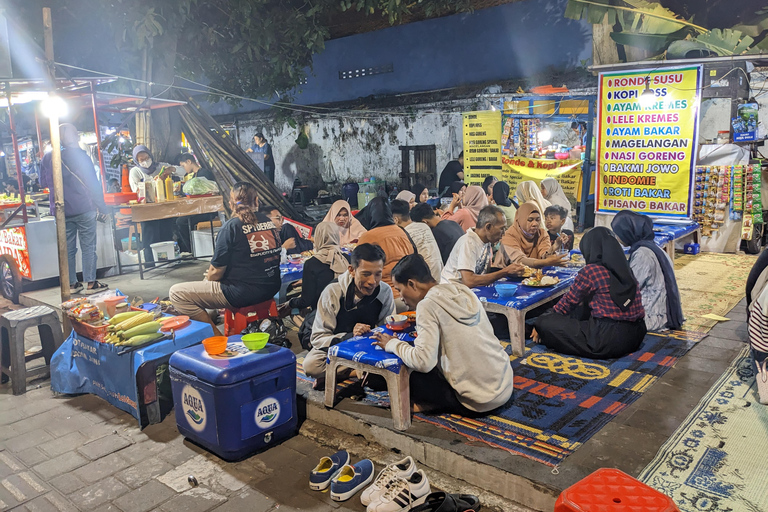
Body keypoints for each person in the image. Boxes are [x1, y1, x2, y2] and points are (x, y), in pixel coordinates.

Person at [371, 254, 514, 414]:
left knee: (406, 369)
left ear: (411, 284)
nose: (401, 297)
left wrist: (393, 344)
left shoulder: (427, 305)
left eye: (399, 290)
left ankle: (433, 404)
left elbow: (423, 362)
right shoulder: (463, 291)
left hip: (477, 401)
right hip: (504, 385)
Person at [169, 182, 282, 335]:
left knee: (177, 293)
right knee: (205, 286)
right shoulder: (269, 223)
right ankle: (213, 316)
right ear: (256, 201)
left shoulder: (231, 227)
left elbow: (215, 273)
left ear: (230, 204)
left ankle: (218, 338)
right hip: (271, 287)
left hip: (241, 293)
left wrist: (209, 278)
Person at [533, 227, 646, 359]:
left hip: (606, 340)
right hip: (636, 335)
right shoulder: (625, 268)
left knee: (545, 323)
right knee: (581, 308)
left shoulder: (592, 270)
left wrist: (542, 324)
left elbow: (566, 305)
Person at [302, 243, 396, 382]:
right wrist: (350, 336)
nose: (373, 282)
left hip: (368, 345)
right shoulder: (333, 291)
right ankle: (360, 372)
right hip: (337, 347)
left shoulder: (384, 291)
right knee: (311, 366)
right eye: (366, 274)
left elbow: (387, 329)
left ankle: (339, 374)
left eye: (378, 274)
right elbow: (318, 337)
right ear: (352, 270)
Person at [40, 123, 109, 294]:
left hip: (61, 209)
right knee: (88, 247)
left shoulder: (48, 158)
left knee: (68, 249)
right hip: (84, 207)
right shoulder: (80, 157)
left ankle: (71, 284)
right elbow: (93, 183)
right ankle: (91, 284)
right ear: (74, 137)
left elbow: (42, 183)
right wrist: (102, 206)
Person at [279, 222, 350, 348]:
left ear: (318, 238)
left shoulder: (312, 263)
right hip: (347, 314)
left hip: (324, 317)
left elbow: (306, 301)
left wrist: (289, 303)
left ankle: (311, 337)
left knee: (294, 310)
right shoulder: (347, 258)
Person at [611, 210, 684, 332]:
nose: (617, 237)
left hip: (652, 317)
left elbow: (630, 286)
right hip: (664, 313)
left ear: (628, 233)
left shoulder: (642, 254)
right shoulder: (655, 248)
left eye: (618, 233)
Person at [441, 205, 523, 287]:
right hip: (451, 291)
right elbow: (469, 281)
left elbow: (483, 273)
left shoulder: (486, 241)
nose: (504, 233)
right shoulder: (469, 243)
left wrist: (510, 271)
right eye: (502, 229)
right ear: (488, 227)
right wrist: (505, 272)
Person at [357, 198, 415, 309]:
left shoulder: (367, 237)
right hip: (410, 296)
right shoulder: (402, 231)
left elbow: (358, 268)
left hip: (386, 299)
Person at [128, 145, 182, 264]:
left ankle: (167, 261)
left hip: (163, 208)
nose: (145, 161)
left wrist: (171, 169)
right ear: (137, 160)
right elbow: (136, 189)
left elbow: (182, 171)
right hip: (147, 210)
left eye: (146, 157)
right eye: (141, 160)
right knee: (150, 237)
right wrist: (155, 181)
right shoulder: (135, 172)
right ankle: (151, 263)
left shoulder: (160, 166)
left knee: (166, 233)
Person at [501, 203, 569, 268]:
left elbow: (544, 255)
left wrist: (555, 246)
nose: (535, 224)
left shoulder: (541, 234)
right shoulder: (509, 235)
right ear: (520, 220)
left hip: (533, 276)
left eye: (538, 220)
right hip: (506, 277)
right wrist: (544, 262)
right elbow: (519, 260)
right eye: (530, 220)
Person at [174, 153, 218, 254]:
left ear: (189, 161)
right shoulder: (194, 176)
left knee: (181, 222)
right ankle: (187, 249)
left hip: (207, 210)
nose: (184, 169)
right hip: (198, 209)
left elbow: (207, 191)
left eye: (183, 166)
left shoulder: (204, 173)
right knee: (177, 219)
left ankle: (191, 250)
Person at [391, 199, 443, 282]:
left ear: (396, 220)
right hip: (439, 275)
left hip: (423, 280)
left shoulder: (403, 234)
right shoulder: (424, 226)